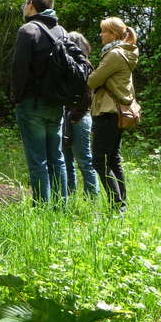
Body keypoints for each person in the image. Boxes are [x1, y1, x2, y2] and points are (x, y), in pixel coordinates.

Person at [11, 0, 69, 203]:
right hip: (58, 103)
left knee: (38, 159)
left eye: (26, 3)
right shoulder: (62, 31)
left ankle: (43, 206)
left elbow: (19, 69)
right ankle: (61, 204)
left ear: (31, 5)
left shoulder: (28, 30)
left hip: (32, 103)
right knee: (57, 157)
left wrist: (17, 98)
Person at [87, 17, 140, 212]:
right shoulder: (127, 53)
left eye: (105, 32)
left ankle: (117, 205)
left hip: (108, 111)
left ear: (115, 35)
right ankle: (121, 205)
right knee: (113, 158)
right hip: (117, 112)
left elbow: (92, 81)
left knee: (99, 160)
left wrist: (92, 74)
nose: (101, 35)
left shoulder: (114, 55)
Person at [63, 31, 98, 197]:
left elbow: (88, 95)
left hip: (80, 118)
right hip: (66, 116)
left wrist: (75, 116)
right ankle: (69, 197)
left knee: (85, 161)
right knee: (66, 160)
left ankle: (92, 199)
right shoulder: (66, 65)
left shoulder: (86, 66)